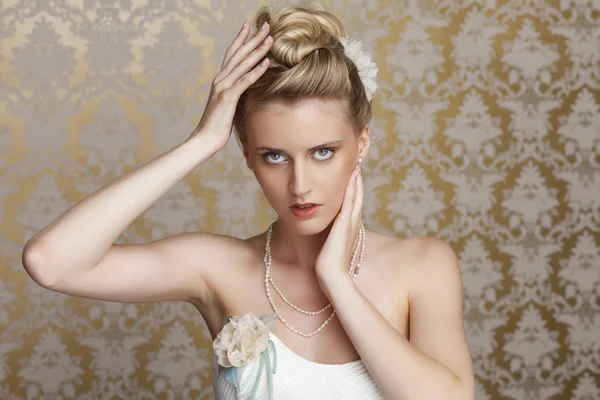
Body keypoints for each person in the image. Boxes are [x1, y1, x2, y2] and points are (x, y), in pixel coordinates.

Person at [21, 2, 475, 399]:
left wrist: (335, 278)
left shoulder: (422, 266)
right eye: (274, 156)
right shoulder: (216, 267)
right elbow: (51, 262)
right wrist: (200, 142)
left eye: (323, 152)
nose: (300, 185)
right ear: (249, 159)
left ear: (362, 143)